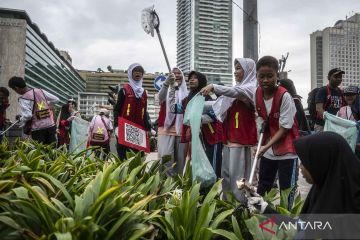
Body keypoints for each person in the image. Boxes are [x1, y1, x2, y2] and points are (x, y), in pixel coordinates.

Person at [200, 58, 257, 199]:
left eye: (238, 68)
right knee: (226, 176)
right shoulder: (234, 91)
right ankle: (227, 205)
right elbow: (216, 104)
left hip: (242, 141)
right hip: (229, 140)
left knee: (239, 178)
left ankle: (240, 206)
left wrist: (214, 86)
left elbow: (235, 92)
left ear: (248, 70)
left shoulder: (251, 88)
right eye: (235, 68)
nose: (235, 72)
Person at [254, 56, 299, 209]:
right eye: (261, 76)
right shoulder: (257, 93)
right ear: (256, 77)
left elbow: (285, 128)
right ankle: (260, 221)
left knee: (287, 189)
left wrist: (265, 147)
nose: (265, 80)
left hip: (287, 150)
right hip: (268, 150)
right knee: (263, 187)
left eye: (270, 76)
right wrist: (260, 144)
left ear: (277, 76)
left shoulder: (284, 96)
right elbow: (260, 118)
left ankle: (287, 225)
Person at [113, 63, 151, 159]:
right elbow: (117, 109)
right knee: (123, 157)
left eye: (140, 71)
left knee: (137, 158)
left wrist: (148, 128)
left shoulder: (144, 93)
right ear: (130, 73)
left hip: (138, 130)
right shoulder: (124, 90)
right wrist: (116, 125)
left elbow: (144, 112)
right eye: (135, 71)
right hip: (124, 128)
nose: (138, 73)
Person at [8, 76, 59, 145]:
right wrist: (48, 105)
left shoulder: (24, 98)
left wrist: (21, 119)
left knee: (40, 153)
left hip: (38, 129)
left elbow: (28, 115)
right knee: (52, 151)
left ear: (16, 88)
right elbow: (56, 99)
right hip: (51, 125)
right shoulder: (40, 91)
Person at [157, 67, 189, 175]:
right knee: (165, 160)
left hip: (181, 132)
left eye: (179, 73)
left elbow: (185, 111)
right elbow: (160, 98)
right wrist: (166, 84)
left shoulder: (186, 93)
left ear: (183, 76)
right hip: (165, 130)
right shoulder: (166, 91)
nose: (176, 75)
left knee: (180, 163)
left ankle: (177, 189)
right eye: (174, 73)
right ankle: (164, 187)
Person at [314, 68, 345, 132]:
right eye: (336, 77)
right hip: (322, 125)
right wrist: (329, 120)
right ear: (329, 77)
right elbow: (319, 109)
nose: (339, 79)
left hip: (337, 126)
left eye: (340, 77)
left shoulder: (341, 92)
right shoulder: (323, 90)